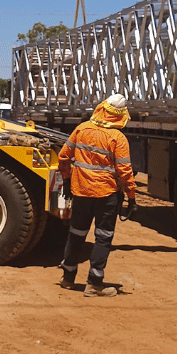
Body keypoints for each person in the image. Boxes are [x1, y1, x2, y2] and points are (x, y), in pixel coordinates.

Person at [56, 93, 138, 297]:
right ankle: (94, 284)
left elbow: (63, 156)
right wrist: (132, 197)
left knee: (76, 234)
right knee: (103, 238)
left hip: (81, 192)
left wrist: (66, 180)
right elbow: (125, 172)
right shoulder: (118, 138)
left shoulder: (81, 129)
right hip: (106, 195)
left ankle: (68, 278)